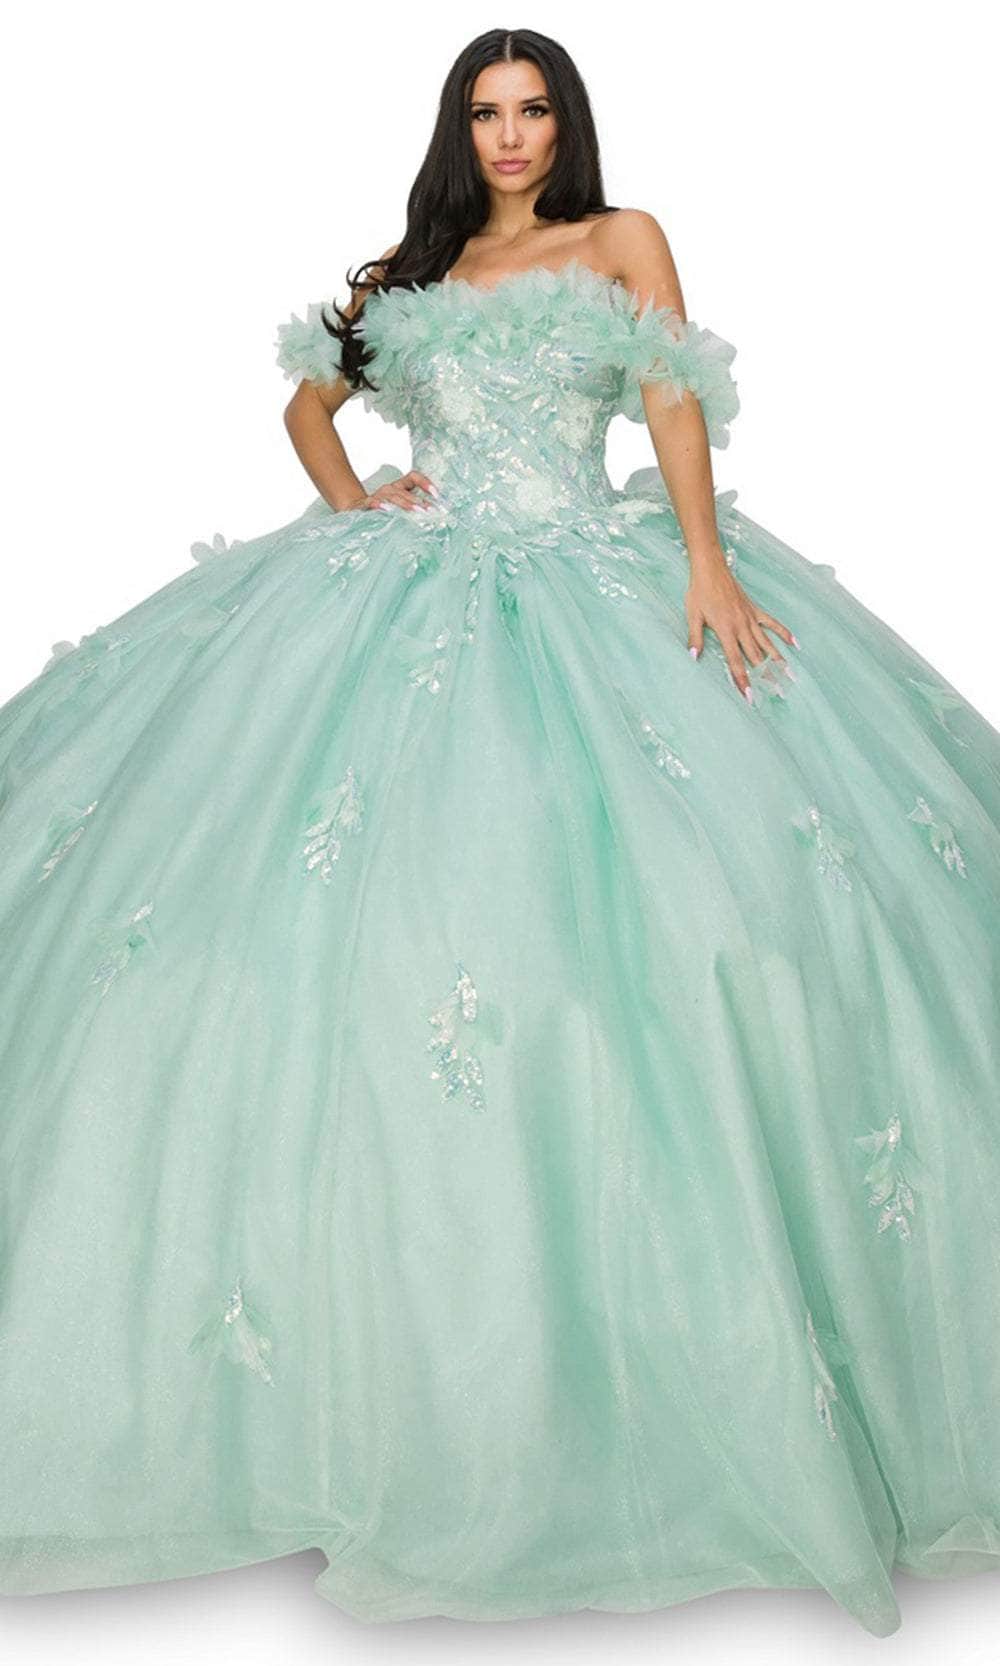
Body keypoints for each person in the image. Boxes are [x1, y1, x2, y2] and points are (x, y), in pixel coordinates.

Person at [1, 24, 999, 1643]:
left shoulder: (624, 239)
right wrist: (359, 503)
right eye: (488, 110)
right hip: (411, 583)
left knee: (706, 914)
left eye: (535, 108)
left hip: (596, 570)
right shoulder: (417, 268)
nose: (514, 133)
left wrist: (705, 560)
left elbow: (672, 400)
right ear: (458, 128)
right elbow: (309, 409)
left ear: (568, 122)